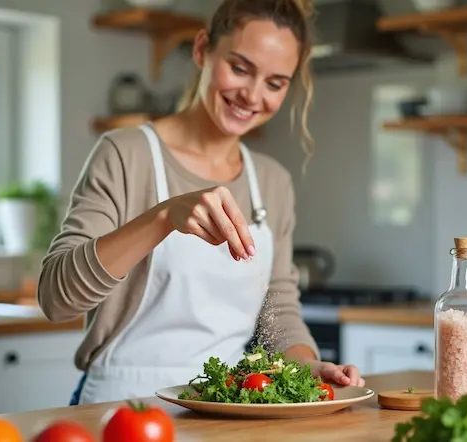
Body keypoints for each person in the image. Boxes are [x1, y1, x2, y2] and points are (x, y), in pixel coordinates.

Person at [38, 0, 364, 406]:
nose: (252, 95)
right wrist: (162, 217)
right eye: (240, 68)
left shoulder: (271, 181)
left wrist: (306, 366)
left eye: (275, 83)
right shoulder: (126, 154)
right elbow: (56, 298)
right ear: (202, 50)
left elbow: (276, 309)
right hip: (121, 407)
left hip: (223, 406)